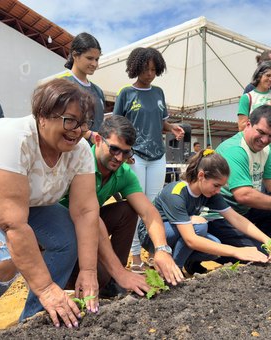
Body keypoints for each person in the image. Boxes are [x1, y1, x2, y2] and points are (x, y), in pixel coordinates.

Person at [0, 78, 100, 328]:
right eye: (69, 120)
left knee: (67, 236)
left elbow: (86, 210)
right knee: (3, 267)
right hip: (5, 204)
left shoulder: (80, 150)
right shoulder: (14, 138)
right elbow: (12, 221)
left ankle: (32, 322)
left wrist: (88, 270)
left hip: (29, 206)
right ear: (42, 115)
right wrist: (46, 288)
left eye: (82, 123)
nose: (76, 130)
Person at [60, 116, 183, 297]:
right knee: (100, 276)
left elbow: (148, 212)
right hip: (61, 230)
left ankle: (113, 281)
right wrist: (117, 272)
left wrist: (161, 249)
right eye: (114, 149)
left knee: (127, 210)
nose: (119, 158)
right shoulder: (81, 163)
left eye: (126, 153)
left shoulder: (123, 173)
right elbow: (88, 216)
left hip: (89, 225)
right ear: (98, 140)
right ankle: (103, 277)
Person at [138, 149, 271, 275]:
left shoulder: (209, 193)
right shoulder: (176, 193)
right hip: (151, 235)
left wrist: (268, 241)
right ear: (201, 176)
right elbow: (190, 239)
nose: (218, 190)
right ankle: (172, 271)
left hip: (175, 230)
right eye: (216, 185)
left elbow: (236, 219)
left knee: (214, 245)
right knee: (200, 227)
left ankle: (177, 265)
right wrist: (237, 251)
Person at [113, 47, 185, 271]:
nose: (150, 74)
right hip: (134, 157)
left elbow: (161, 122)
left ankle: (155, 252)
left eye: (154, 70)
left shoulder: (159, 93)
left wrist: (172, 127)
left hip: (157, 156)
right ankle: (135, 257)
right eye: (146, 69)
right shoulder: (126, 93)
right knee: (136, 206)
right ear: (136, 68)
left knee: (154, 207)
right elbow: (116, 125)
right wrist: (124, 153)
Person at [207, 105, 271, 263]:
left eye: (270, 136)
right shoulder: (235, 149)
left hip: (241, 212)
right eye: (261, 132)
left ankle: (258, 242)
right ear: (248, 124)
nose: (264, 140)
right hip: (218, 216)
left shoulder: (265, 149)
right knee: (257, 257)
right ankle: (201, 256)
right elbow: (243, 195)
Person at [50, 32, 105, 142]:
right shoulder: (62, 84)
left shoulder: (98, 91)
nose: (94, 64)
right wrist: (88, 134)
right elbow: (54, 121)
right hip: (70, 151)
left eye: (97, 59)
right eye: (90, 58)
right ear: (75, 55)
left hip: (94, 154)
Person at [238, 61, 271, 178]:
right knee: (256, 184)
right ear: (259, 75)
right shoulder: (247, 98)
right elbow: (241, 126)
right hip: (254, 147)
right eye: (268, 75)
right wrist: (264, 114)